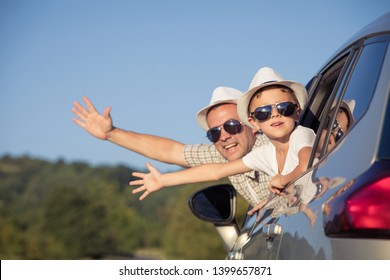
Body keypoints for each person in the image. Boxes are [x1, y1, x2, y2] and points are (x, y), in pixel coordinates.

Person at [72, 79, 272, 208]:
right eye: (214, 132)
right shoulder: (226, 152)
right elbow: (173, 151)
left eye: (231, 125)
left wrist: (276, 202)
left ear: (253, 124)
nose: (224, 136)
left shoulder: (272, 146)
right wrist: (112, 133)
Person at [130, 68, 316, 202]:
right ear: (255, 122)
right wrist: (163, 179)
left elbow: (306, 164)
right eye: (263, 113)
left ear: (297, 112)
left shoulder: (301, 135)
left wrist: (283, 180)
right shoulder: (264, 154)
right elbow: (215, 171)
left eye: (285, 108)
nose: (275, 114)